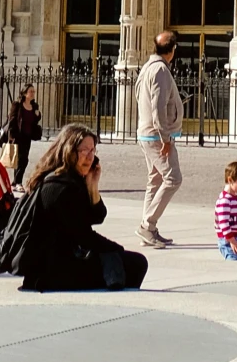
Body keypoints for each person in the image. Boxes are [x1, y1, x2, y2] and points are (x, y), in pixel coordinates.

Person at [18, 123, 147, 292]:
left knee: (124, 262)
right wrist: (115, 249)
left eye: (93, 150)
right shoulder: (60, 187)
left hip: (61, 259)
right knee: (135, 264)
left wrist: (92, 186)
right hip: (52, 270)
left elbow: (97, 216)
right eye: (84, 150)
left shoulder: (72, 180)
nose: (89, 156)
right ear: (69, 152)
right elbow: (83, 235)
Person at [135, 29, 184, 250]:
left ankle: (149, 228)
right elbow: (158, 107)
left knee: (155, 179)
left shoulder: (147, 67)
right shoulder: (160, 71)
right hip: (156, 135)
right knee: (173, 178)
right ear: (172, 50)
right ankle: (148, 224)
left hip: (147, 132)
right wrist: (165, 137)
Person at [0, 85, 43, 188]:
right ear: (24, 93)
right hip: (17, 135)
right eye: (30, 91)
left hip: (28, 136)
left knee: (24, 159)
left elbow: (35, 120)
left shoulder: (34, 106)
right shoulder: (17, 105)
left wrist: (38, 115)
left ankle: (15, 182)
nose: (33, 93)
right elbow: (12, 119)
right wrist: (11, 135)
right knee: (20, 159)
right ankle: (18, 182)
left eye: (33, 91)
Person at [214, 160, 237, 259]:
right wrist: (232, 240)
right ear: (230, 180)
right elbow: (224, 223)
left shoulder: (236, 199)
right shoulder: (225, 201)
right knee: (235, 266)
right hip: (229, 240)